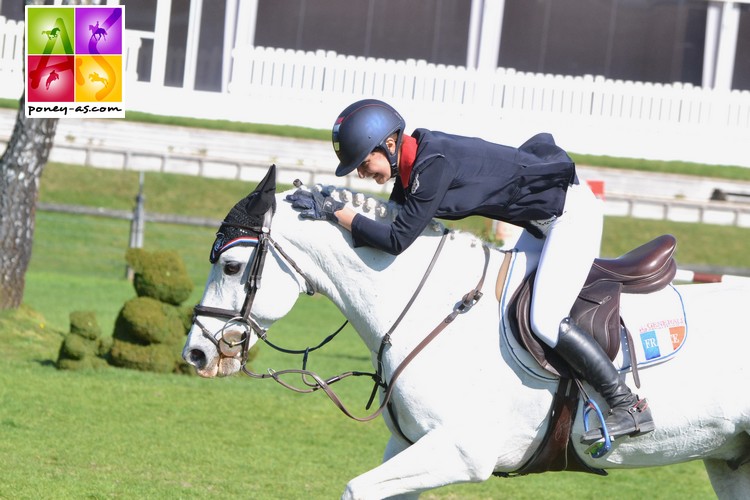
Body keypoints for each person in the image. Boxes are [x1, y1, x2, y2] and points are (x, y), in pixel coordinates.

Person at [288, 98, 654, 443]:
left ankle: (626, 404)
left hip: (570, 218)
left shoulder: (433, 166)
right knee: (504, 303)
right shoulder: (412, 168)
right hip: (538, 224)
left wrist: (337, 212)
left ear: (387, 143)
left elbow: (397, 240)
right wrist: (332, 217)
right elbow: (386, 229)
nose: (363, 174)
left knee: (544, 319)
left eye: (364, 163)